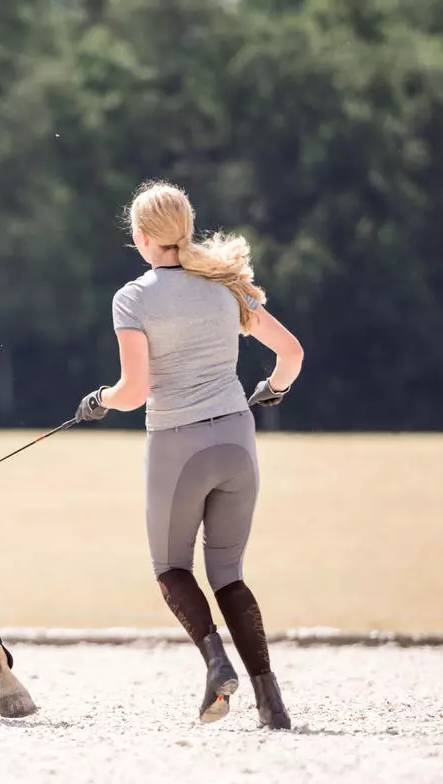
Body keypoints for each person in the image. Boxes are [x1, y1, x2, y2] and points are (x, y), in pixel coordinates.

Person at [75, 180, 304, 729]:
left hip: (178, 446)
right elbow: (291, 353)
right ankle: (271, 704)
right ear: (185, 229)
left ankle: (215, 661)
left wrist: (97, 401)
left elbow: (133, 392)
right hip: (237, 441)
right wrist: (273, 388)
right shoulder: (226, 286)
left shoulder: (133, 297)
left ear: (143, 237)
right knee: (228, 573)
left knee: (171, 568)